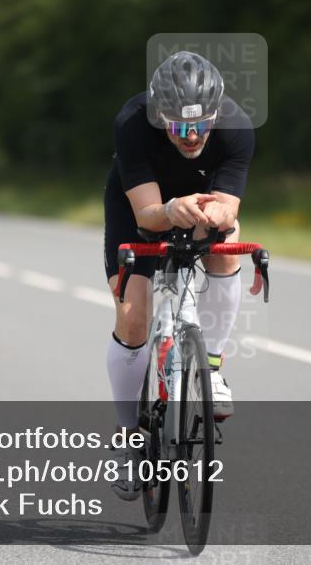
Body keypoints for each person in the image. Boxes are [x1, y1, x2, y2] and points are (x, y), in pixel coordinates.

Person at [103, 51, 255, 499]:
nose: (190, 137)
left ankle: (212, 365)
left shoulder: (237, 127)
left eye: (201, 125)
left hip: (198, 205)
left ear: (217, 114)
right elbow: (148, 215)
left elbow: (229, 206)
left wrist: (220, 213)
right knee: (133, 317)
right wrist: (170, 210)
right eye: (177, 127)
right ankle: (130, 440)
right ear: (158, 116)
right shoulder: (132, 122)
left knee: (227, 248)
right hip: (141, 208)